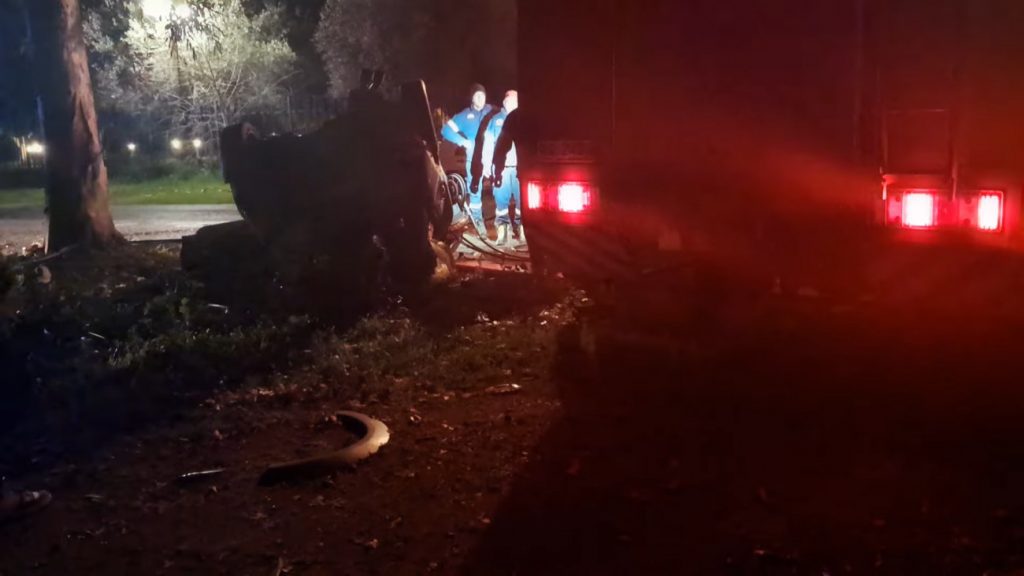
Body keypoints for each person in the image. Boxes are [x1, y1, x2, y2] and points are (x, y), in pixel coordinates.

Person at [441, 84, 494, 235]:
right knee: (475, 190)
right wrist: (462, 141)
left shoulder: (491, 111)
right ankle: (477, 220)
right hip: (474, 160)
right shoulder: (464, 115)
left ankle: (505, 222)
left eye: (482, 95)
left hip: (492, 159)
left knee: (501, 189)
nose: (480, 98)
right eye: (477, 95)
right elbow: (445, 130)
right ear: (472, 98)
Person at [490, 95, 523, 247]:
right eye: (509, 100)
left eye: (515, 100)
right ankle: (502, 228)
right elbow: (491, 144)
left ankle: (522, 227)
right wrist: (491, 166)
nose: (512, 103)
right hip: (502, 168)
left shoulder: (523, 118)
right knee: (501, 200)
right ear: (504, 102)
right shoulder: (496, 120)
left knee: (523, 200)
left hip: (520, 168)